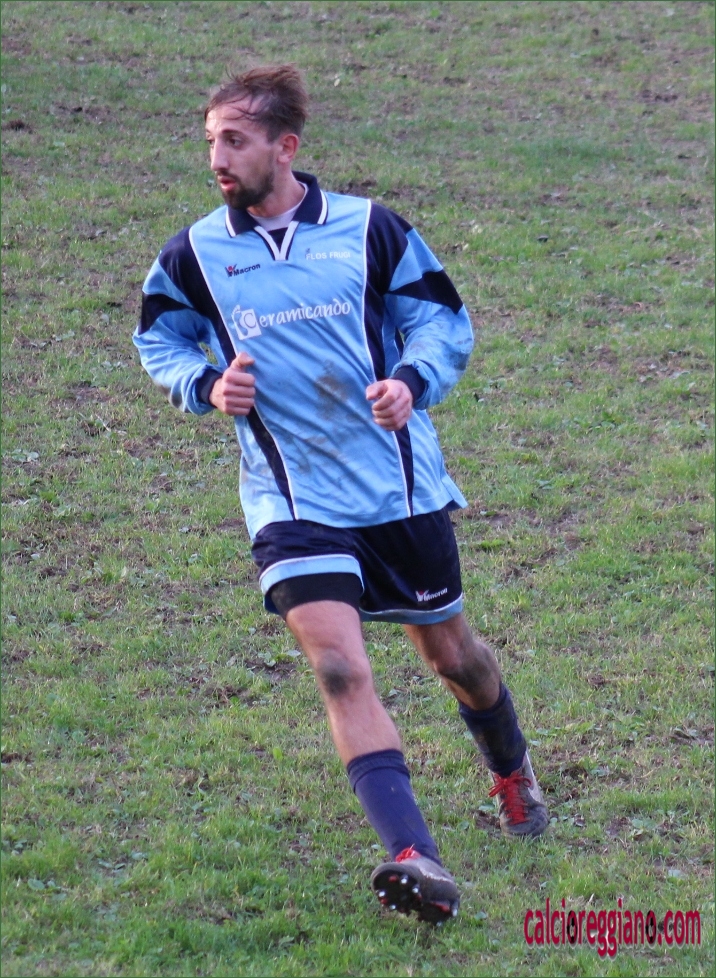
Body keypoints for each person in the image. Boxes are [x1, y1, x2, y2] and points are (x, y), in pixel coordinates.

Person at [133, 64, 548, 925]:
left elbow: (441, 321)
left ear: (285, 147)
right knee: (337, 666)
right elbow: (160, 338)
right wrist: (205, 384)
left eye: (234, 140)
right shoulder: (195, 253)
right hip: (292, 501)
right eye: (210, 140)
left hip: (397, 491)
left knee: (454, 659)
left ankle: (511, 771)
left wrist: (410, 381)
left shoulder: (369, 229)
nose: (217, 157)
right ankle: (416, 857)